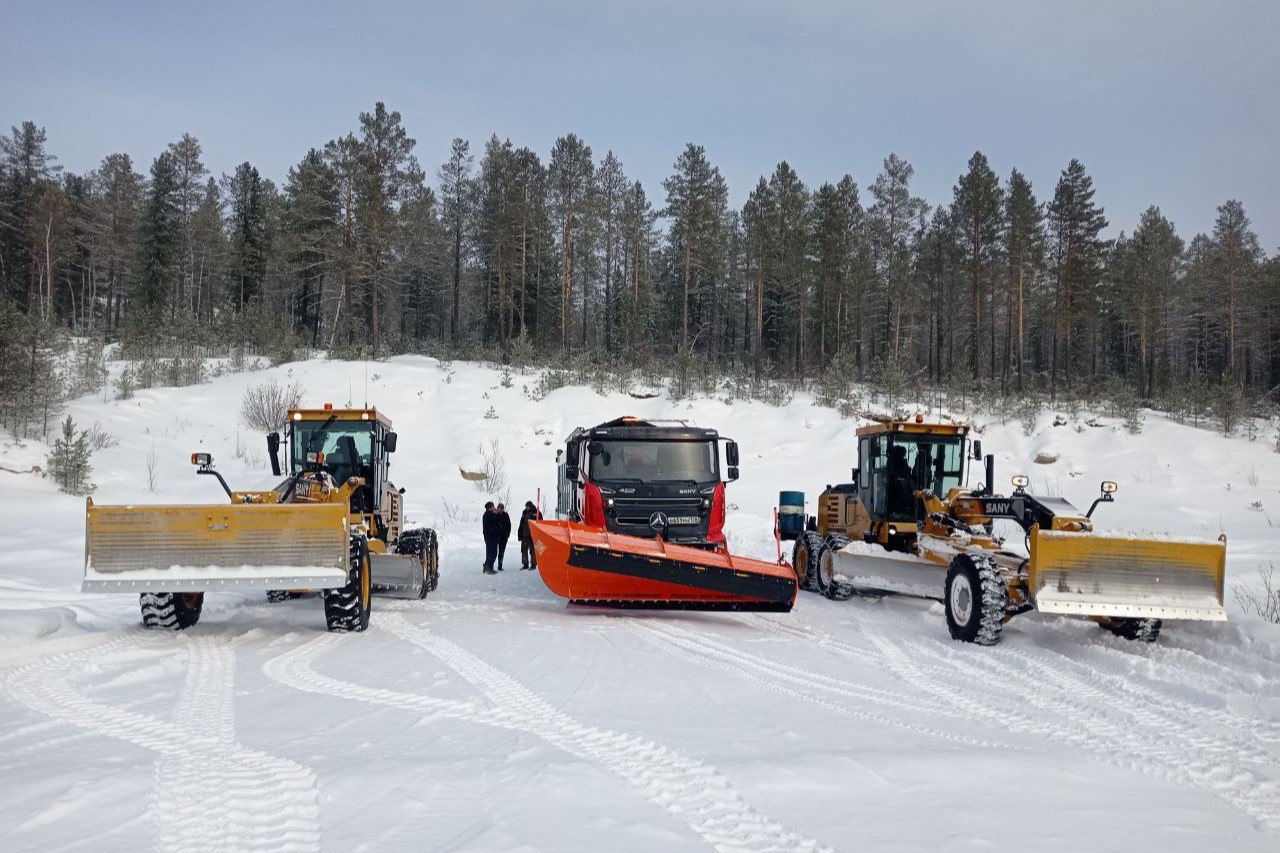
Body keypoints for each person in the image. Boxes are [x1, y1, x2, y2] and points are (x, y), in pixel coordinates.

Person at [517, 500, 543, 570]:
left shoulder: (537, 513)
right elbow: (521, 524)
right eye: (526, 507)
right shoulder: (524, 513)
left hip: (533, 535)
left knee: (533, 550)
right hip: (525, 535)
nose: (527, 508)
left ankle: (533, 564)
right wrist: (520, 533)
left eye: (528, 507)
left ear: (531, 506)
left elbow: (541, 523)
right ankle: (525, 564)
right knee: (524, 550)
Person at [481, 501, 500, 574]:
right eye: (492, 507)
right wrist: (495, 515)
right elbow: (493, 525)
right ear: (489, 508)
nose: (493, 508)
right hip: (490, 538)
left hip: (493, 537)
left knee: (493, 553)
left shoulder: (491, 514)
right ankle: (487, 568)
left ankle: (489, 567)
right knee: (491, 553)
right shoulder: (488, 515)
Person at [495, 503, 512, 570]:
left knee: (501, 552)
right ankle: (491, 565)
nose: (500, 510)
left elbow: (509, 525)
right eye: (499, 508)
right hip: (496, 536)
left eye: (502, 508)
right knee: (493, 552)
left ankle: (500, 565)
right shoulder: (495, 514)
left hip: (503, 537)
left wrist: (507, 534)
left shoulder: (506, 515)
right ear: (497, 508)